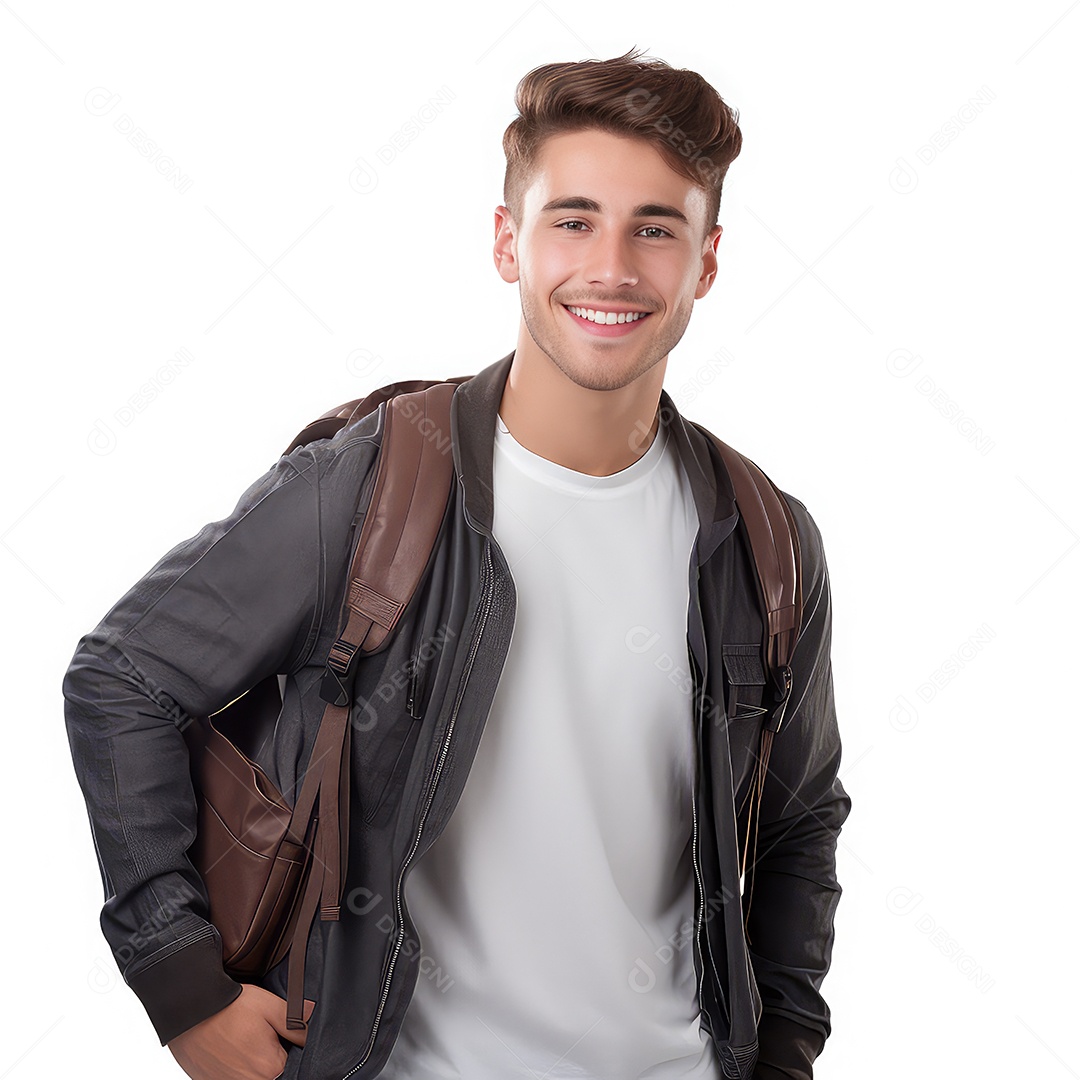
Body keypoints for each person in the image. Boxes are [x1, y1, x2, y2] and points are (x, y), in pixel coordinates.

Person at [63, 47, 850, 1080]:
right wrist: (182, 984)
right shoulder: (378, 484)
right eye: (573, 219)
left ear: (704, 261)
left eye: (654, 228)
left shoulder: (765, 537)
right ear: (506, 242)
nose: (611, 265)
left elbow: (800, 817)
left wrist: (785, 1049)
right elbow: (123, 677)